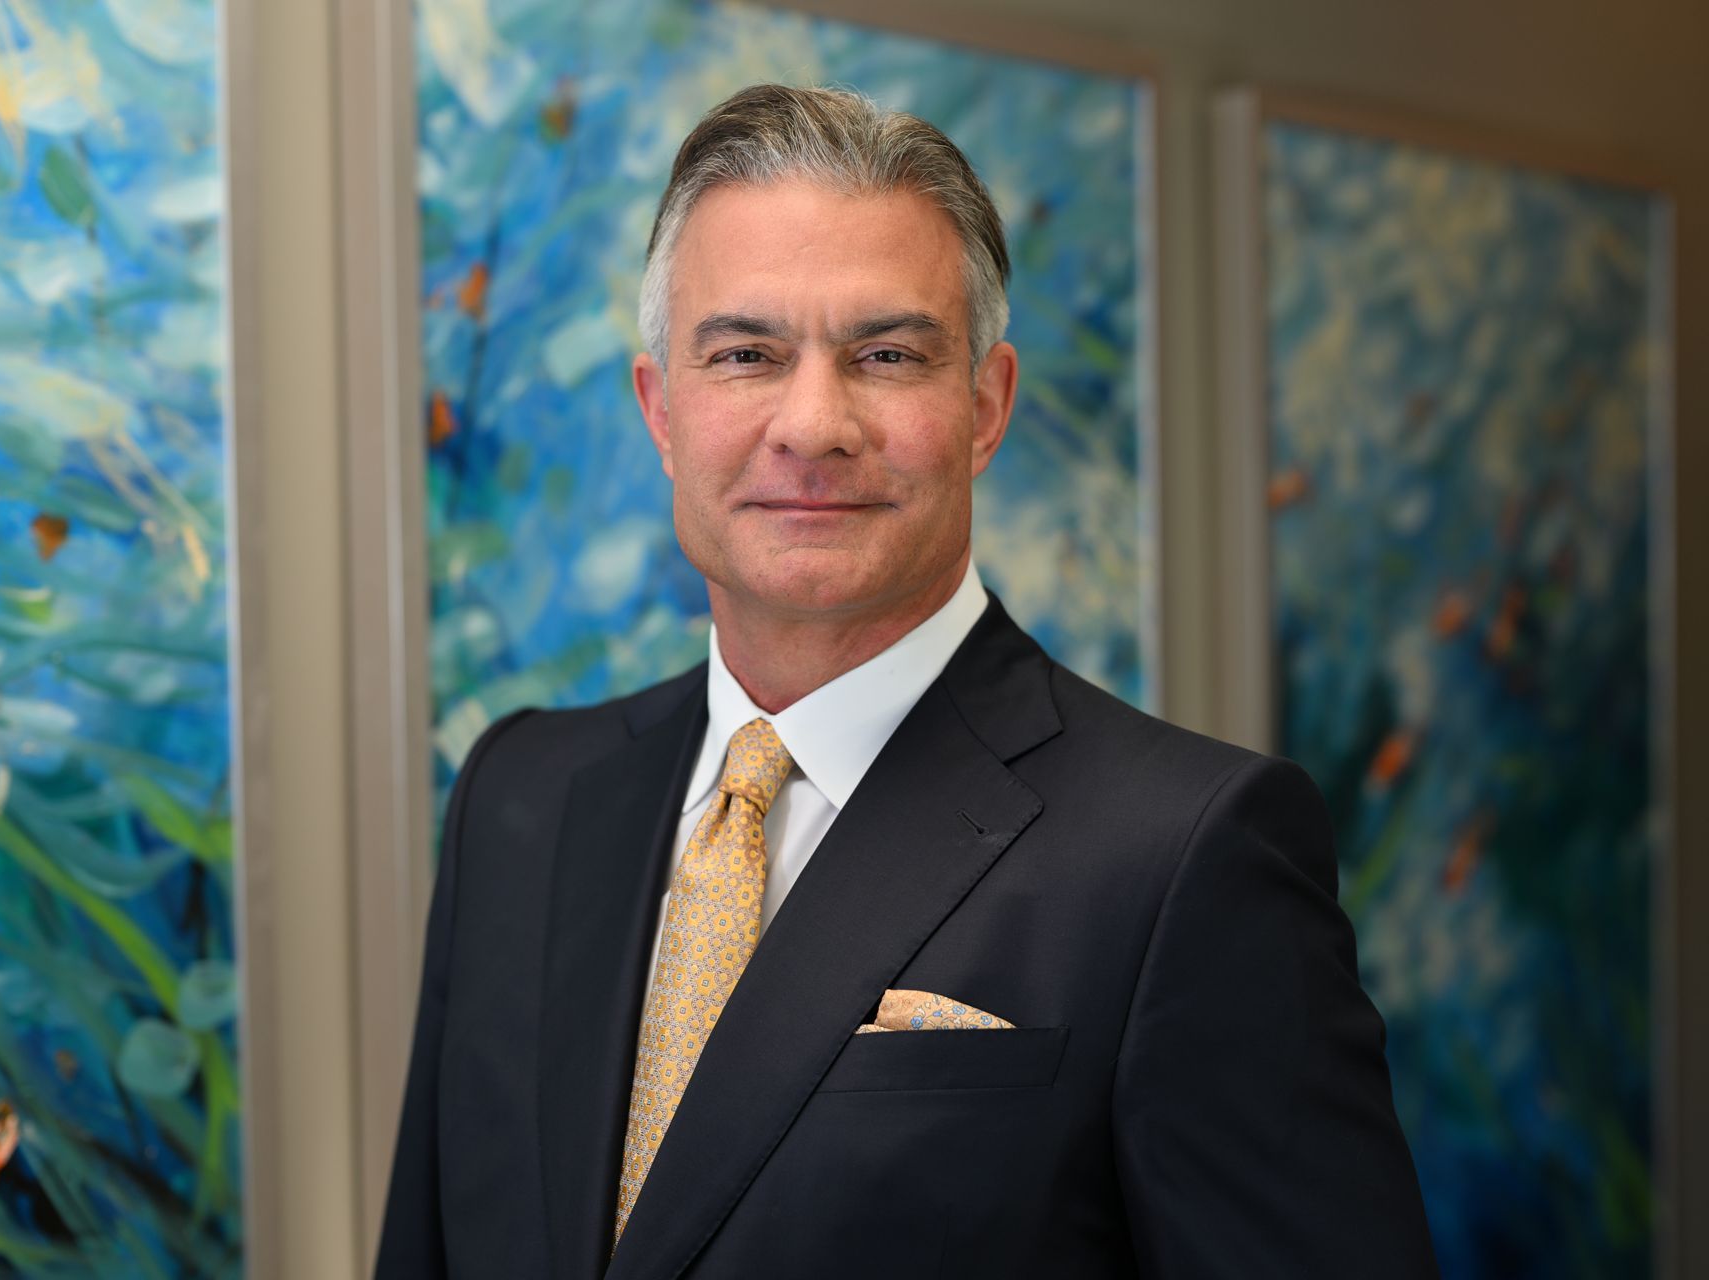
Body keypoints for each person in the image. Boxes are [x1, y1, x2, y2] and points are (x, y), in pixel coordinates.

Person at [375, 84, 1437, 1279]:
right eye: (746, 354)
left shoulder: (1187, 853)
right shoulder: (521, 797)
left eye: (887, 354)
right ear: (661, 409)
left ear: (984, 407)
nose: (815, 423)